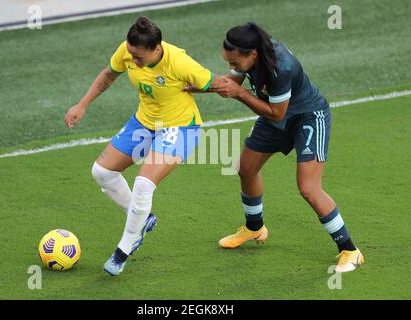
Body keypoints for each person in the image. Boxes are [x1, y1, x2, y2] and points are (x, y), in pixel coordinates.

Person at [64, 16, 224, 276]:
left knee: (143, 184)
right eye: (131, 54)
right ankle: (142, 217)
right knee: (102, 172)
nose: (133, 61)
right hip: (144, 122)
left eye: (139, 58)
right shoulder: (128, 50)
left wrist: (196, 88)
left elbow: (217, 83)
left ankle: (125, 248)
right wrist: (82, 105)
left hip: (179, 127)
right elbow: (108, 74)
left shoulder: (179, 62)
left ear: (157, 50)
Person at [209, 22, 364, 273]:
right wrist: (190, 85)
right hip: (277, 116)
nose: (232, 67)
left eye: (235, 62)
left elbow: (276, 113)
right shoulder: (249, 55)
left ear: (253, 54)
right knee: (246, 168)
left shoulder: (281, 67)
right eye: (229, 62)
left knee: (308, 187)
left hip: (307, 117)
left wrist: (239, 93)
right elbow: (230, 80)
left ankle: (350, 250)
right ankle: (254, 228)